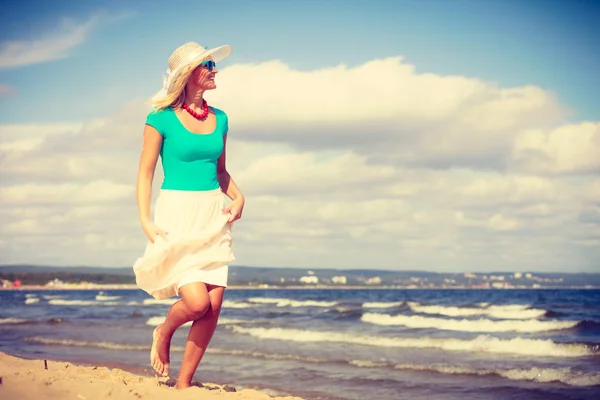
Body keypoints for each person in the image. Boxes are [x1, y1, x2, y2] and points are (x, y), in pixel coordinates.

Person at [133, 41, 245, 389]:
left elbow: (221, 170)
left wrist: (239, 198)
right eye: (209, 65)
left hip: (213, 213)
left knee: (212, 305)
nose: (215, 70)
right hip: (178, 213)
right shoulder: (160, 118)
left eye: (214, 65)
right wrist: (145, 220)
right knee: (195, 302)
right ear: (189, 73)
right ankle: (164, 331)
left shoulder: (221, 118)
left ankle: (184, 384)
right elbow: (145, 173)